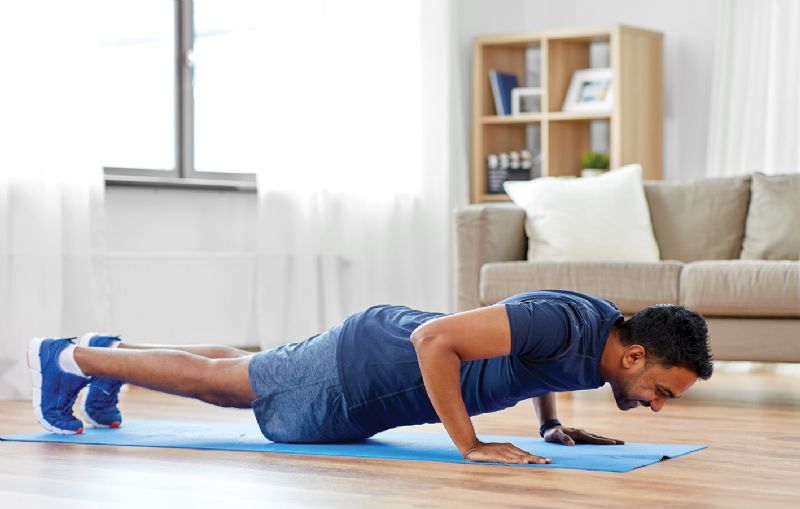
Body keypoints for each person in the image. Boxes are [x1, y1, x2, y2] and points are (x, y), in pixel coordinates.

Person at [26, 290, 713, 465]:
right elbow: (435, 338)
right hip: (369, 365)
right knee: (227, 384)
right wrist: (470, 444)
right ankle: (69, 359)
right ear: (634, 357)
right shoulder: (569, 323)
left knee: (235, 364)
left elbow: (531, 358)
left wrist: (548, 421)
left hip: (371, 348)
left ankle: (110, 352)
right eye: (663, 389)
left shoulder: (592, 337)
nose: (656, 406)